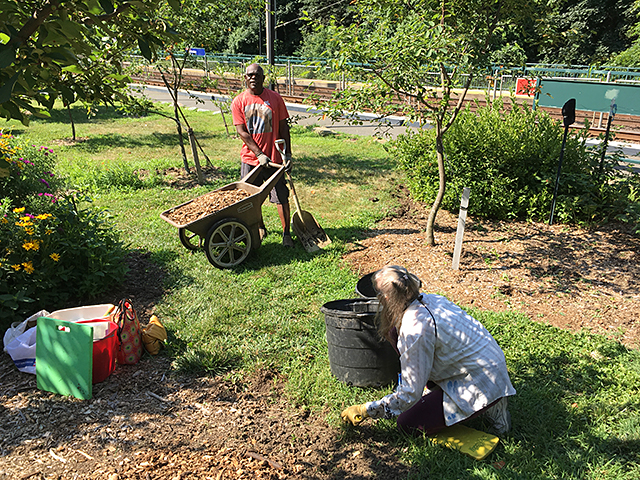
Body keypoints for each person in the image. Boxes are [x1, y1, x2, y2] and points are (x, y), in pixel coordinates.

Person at [341, 265, 516, 436]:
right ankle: (446, 391)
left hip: (481, 381)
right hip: (485, 363)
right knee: (393, 332)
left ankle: (493, 407)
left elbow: (409, 394)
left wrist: (367, 410)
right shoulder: (432, 299)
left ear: (386, 298)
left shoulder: (415, 328)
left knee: (407, 423)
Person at [231, 63, 294, 248]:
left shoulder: (274, 99)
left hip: (275, 159)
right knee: (251, 199)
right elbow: (242, 132)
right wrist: (258, 153)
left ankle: (286, 234)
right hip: (251, 160)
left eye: (257, 75)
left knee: (281, 196)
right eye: (249, 75)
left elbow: (284, 128)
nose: (253, 78)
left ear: (263, 78)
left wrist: (288, 154)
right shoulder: (239, 101)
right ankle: (260, 227)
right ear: (245, 78)